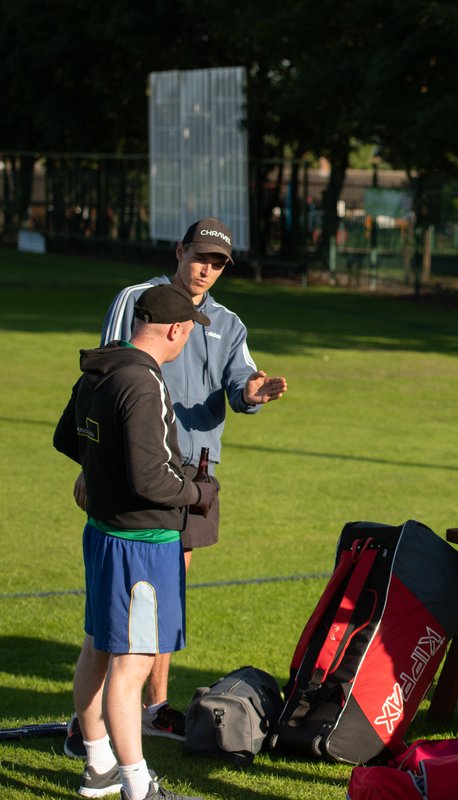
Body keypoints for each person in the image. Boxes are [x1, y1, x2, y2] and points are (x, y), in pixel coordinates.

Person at [64, 217, 287, 751]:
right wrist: (87, 465)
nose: (207, 270)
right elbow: (101, 377)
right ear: (180, 251)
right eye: (200, 257)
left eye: (217, 264)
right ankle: (106, 721)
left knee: (167, 597)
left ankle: (149, 707)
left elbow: (241, 384)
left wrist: (255, 391)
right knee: (128, 604)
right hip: (136, 469)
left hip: (196, 474)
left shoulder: (228, 323)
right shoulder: (139, 300)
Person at [54, 284, 214, 800]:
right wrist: (197, 492)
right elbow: (151, 480)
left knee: (98, 647)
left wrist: (99, 473)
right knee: (132, 664)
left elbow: (68, 438)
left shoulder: (103, 367)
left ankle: (97, 764)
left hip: (104, 535)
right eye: (190, 331)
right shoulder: (144, 383)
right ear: (176, 329)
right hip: (142, 546)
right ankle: (136, 786)